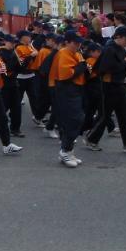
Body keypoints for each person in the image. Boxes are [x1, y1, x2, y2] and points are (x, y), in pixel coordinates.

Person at [86, 26, 126, 154]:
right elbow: (105, 69)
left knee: (124, 116)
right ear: (119, 37)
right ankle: (91, 139)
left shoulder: (120, 49)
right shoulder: (109, 49)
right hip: (109, 86)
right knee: (105, 115)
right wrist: (125, 62)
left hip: (118, 84)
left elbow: (123, 67)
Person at [49, 31, 87, 168]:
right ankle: (65, 150)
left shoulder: (76, 53)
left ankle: (68, 150)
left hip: (75, 89)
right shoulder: (63, 53)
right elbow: (66, 74)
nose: (78, 45)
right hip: (66, 89)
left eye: (79, 42)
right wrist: (80, 68)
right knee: (74, 119)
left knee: (76, 119)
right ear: (67, 42)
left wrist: (82, 67)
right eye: (75, 42)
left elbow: (83, 67)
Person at [14, 30, 39, 132]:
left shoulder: (30, 46)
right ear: (22, 38)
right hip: (21, 77)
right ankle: (6, 116)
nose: (30, 38)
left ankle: (37, 117)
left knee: (34, 97)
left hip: (31, 75)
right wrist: (31, 56)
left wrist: (35, 55)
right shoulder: (18, 48)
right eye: (28, 36)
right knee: (16, 100)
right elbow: (21, 63)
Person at [0, 34, 23, 137]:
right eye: (11, 42)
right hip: (4, 84)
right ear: (6, 42)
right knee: (3, 107)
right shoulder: (0, 53)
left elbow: (19, 69)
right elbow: (5, 70)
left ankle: (15, 129)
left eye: (14, 43)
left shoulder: (14, 52)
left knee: (17, 107)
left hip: (14, 83)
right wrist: (15, 63)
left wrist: (24, 62)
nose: (13, 44)